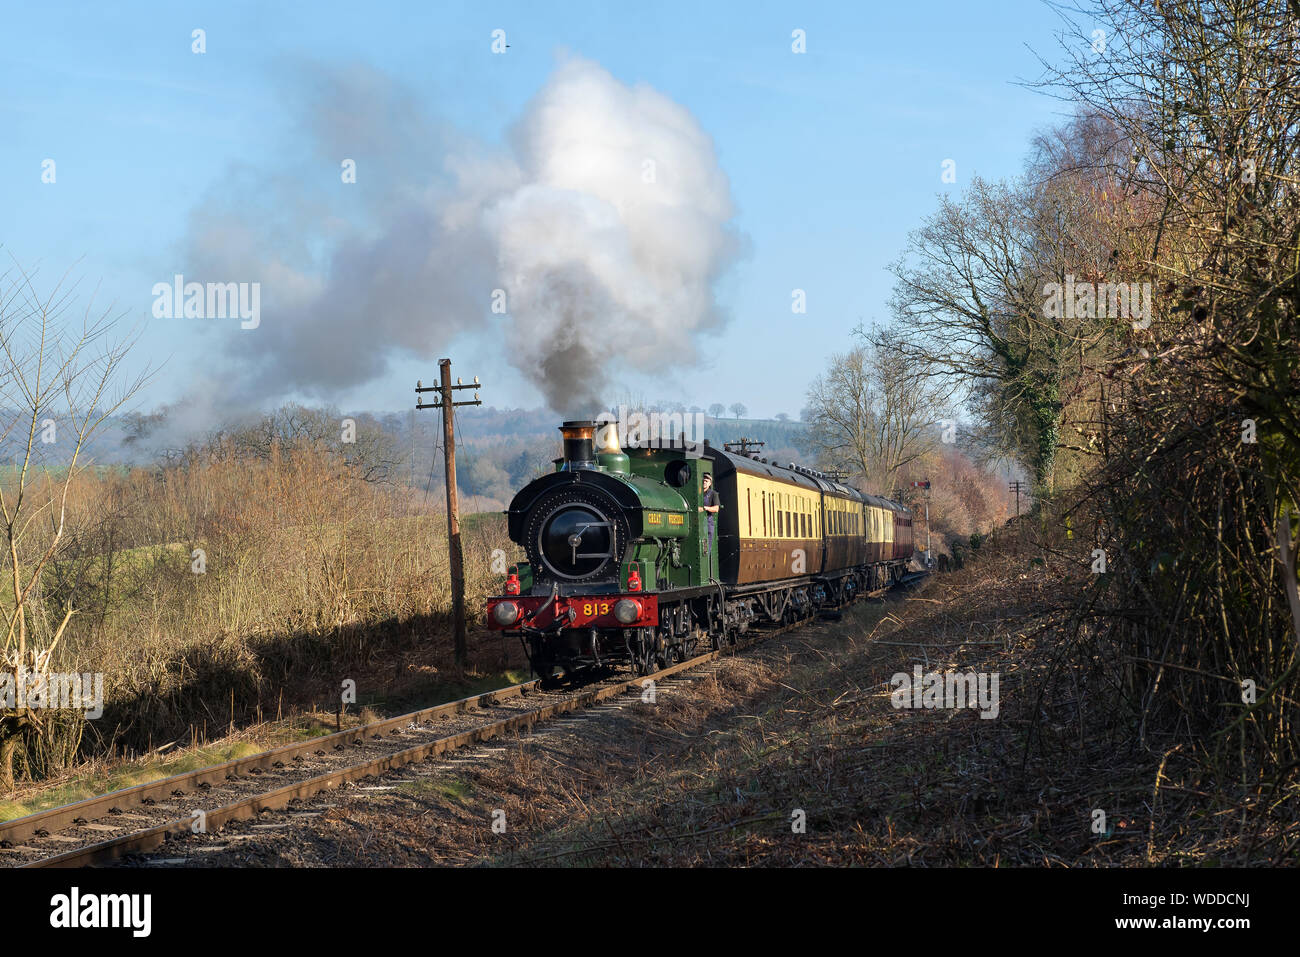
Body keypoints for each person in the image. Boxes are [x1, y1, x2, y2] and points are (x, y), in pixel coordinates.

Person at [699, 472, 720, 555]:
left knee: (706, 548)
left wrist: (705, 508)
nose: (704, 482)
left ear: (710, 483)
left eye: (706, 481)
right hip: (697, 521)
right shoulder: (698, 492)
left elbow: (716, 508)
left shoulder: (713, 494)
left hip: (708, 521)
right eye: (703, 480)